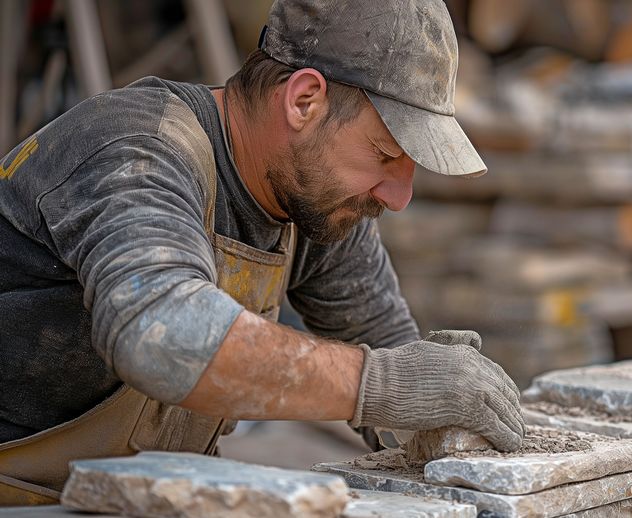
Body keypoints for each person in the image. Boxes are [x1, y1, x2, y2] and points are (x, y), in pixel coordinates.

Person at [0, 0, 525, 505]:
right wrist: (382, 382)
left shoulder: (318, 200)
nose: (399, 197)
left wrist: (441, 408)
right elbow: (162, 337)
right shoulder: (137, 149)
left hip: (127, 499)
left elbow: (389, 358)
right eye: (386, 154)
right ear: (304, 101)